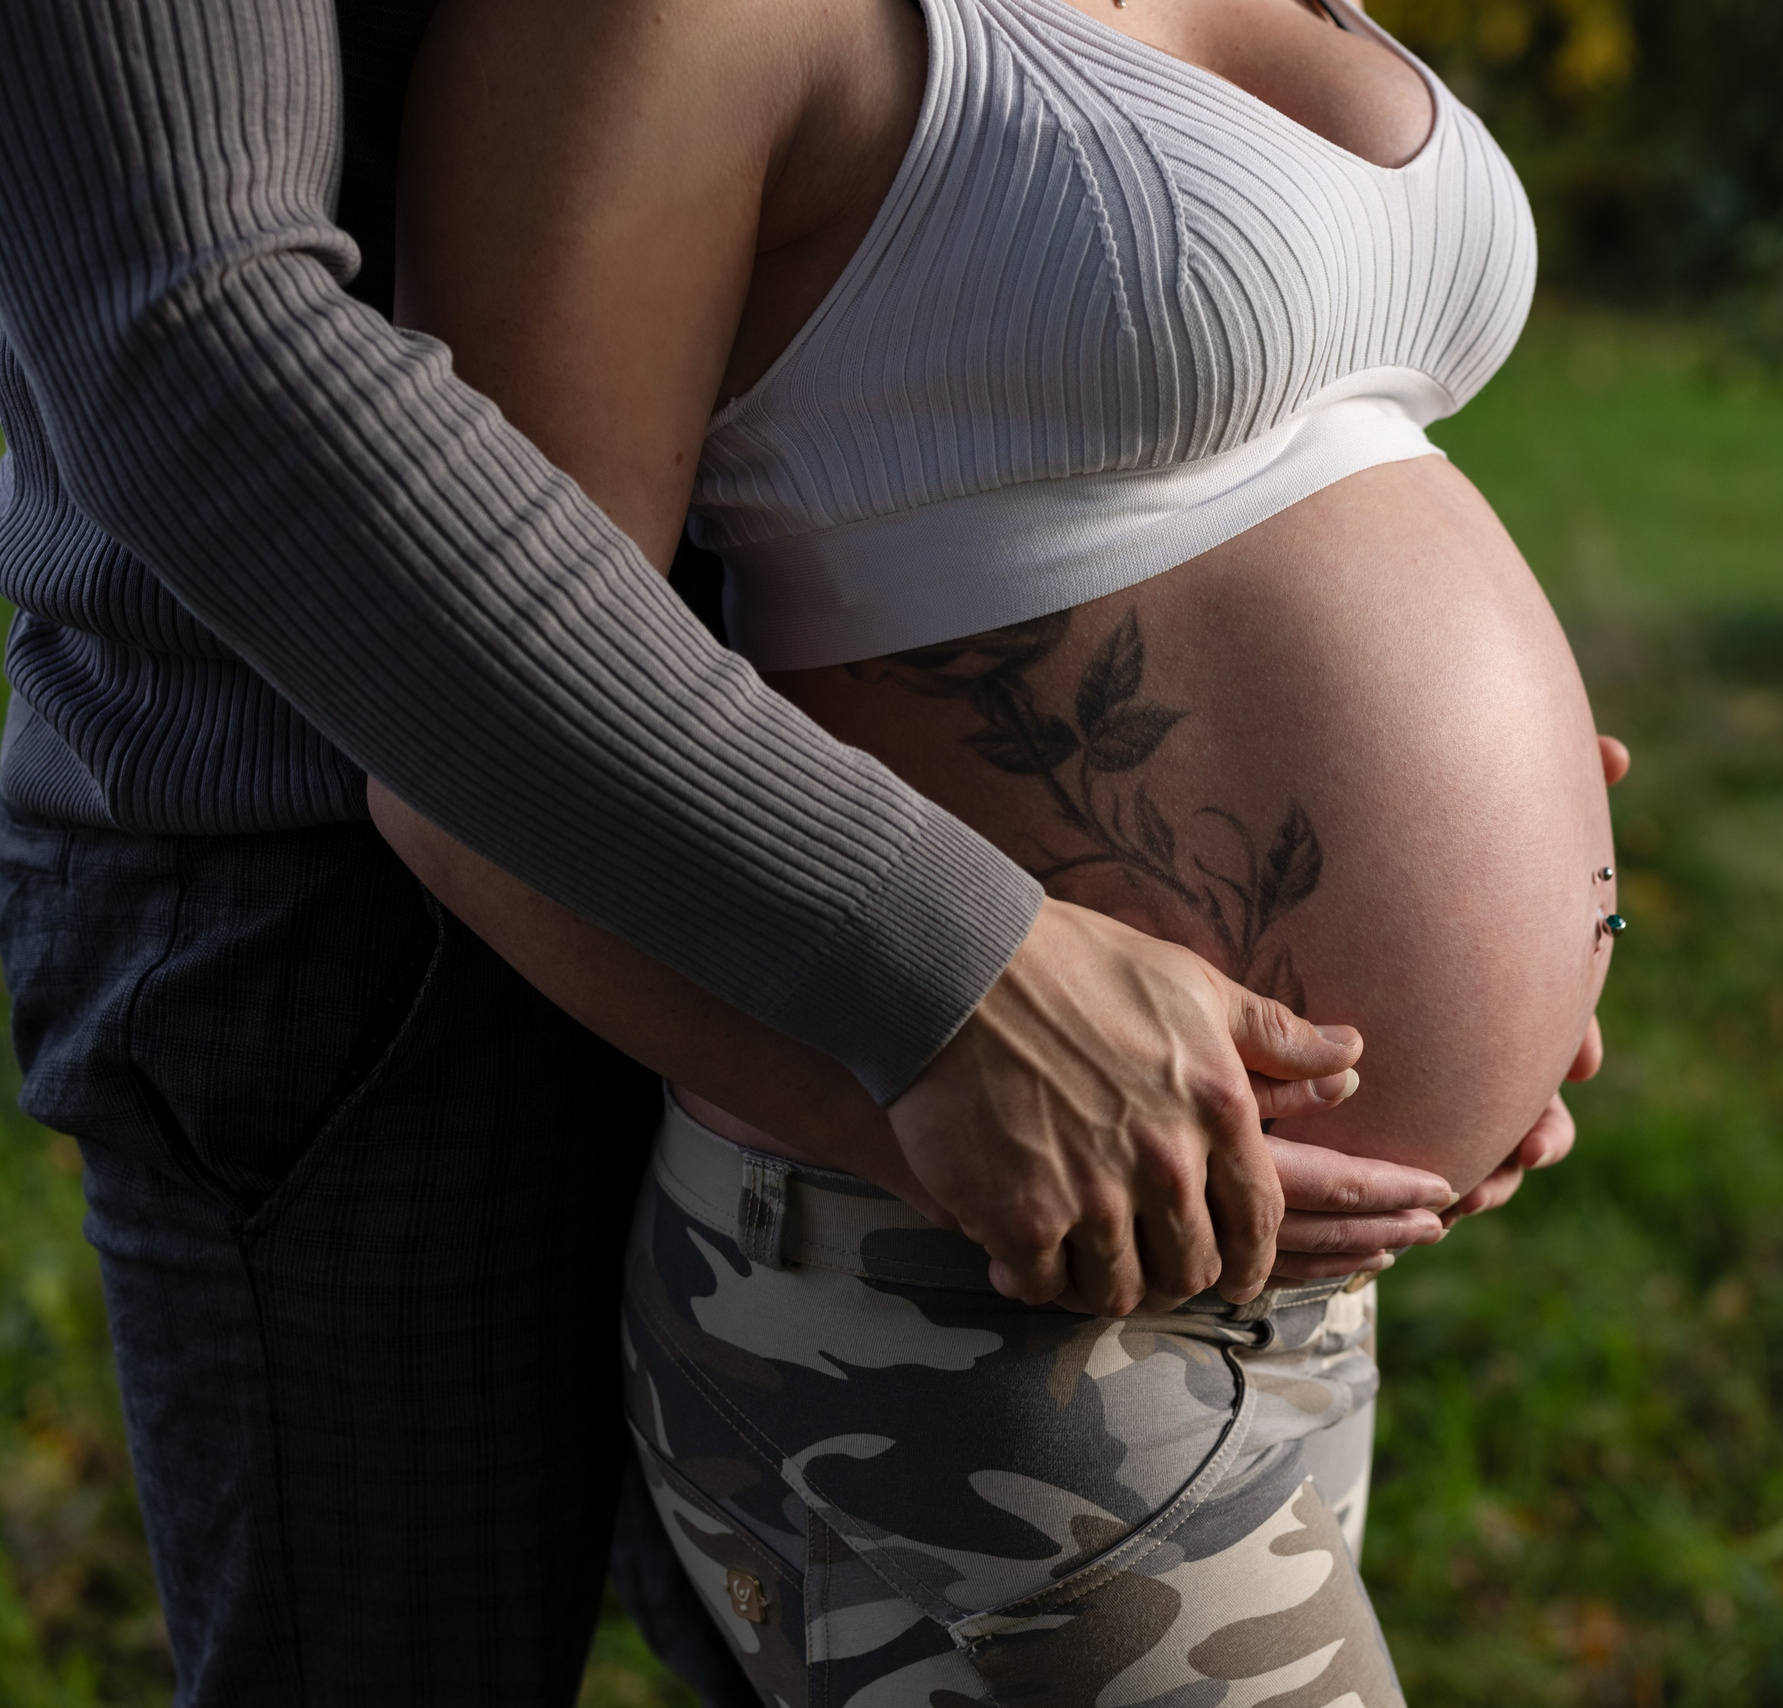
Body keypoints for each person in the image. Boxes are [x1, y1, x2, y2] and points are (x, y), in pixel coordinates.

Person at [0, 0, 1599, 1702]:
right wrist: (945, 994)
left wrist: (1506, 861)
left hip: (1052, 1081)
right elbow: (189, 328)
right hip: (429, 889)